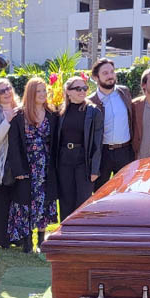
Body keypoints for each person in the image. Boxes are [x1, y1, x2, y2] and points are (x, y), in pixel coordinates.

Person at [5, 77, 59, 253]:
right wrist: (18, 169)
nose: (43, 94)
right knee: (25, 203)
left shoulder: (52, 114)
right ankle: (27, 240)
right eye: (39, 91)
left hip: (46, 167)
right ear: (30, 93)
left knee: (44, 202)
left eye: (45, 91)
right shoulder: (19, 116)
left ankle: (41, 240)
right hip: (27, 166)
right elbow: (13, 144)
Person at [54, 75, 103, 221]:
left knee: (83, 200)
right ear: (68, 91)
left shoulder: (93, 112)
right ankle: (66, 235)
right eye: (78, 88)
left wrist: (95, 169)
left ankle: (82, 234)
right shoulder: (60, 112)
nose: (82, 91)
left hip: (84, 160)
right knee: (66, 200)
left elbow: (97, 142)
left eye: (85, 88)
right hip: (64, 160)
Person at [88, 57, 133, 191]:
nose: (110, 76)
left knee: (126, 191)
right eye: (105, 73)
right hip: (103, 153)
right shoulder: (91, 101)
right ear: (96, 77)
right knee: (100, 192)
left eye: (112, 72)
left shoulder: (124, 93)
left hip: (125, 152)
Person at [0, 77, 20, 249]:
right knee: (3, 201)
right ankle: (3, 239)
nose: (6, 92)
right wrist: (7, 121)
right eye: (1, 91)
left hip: (20, 162)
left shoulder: (20, 108)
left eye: (8, 88)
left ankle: (17, 236)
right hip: (2, 163)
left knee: (18, 201)